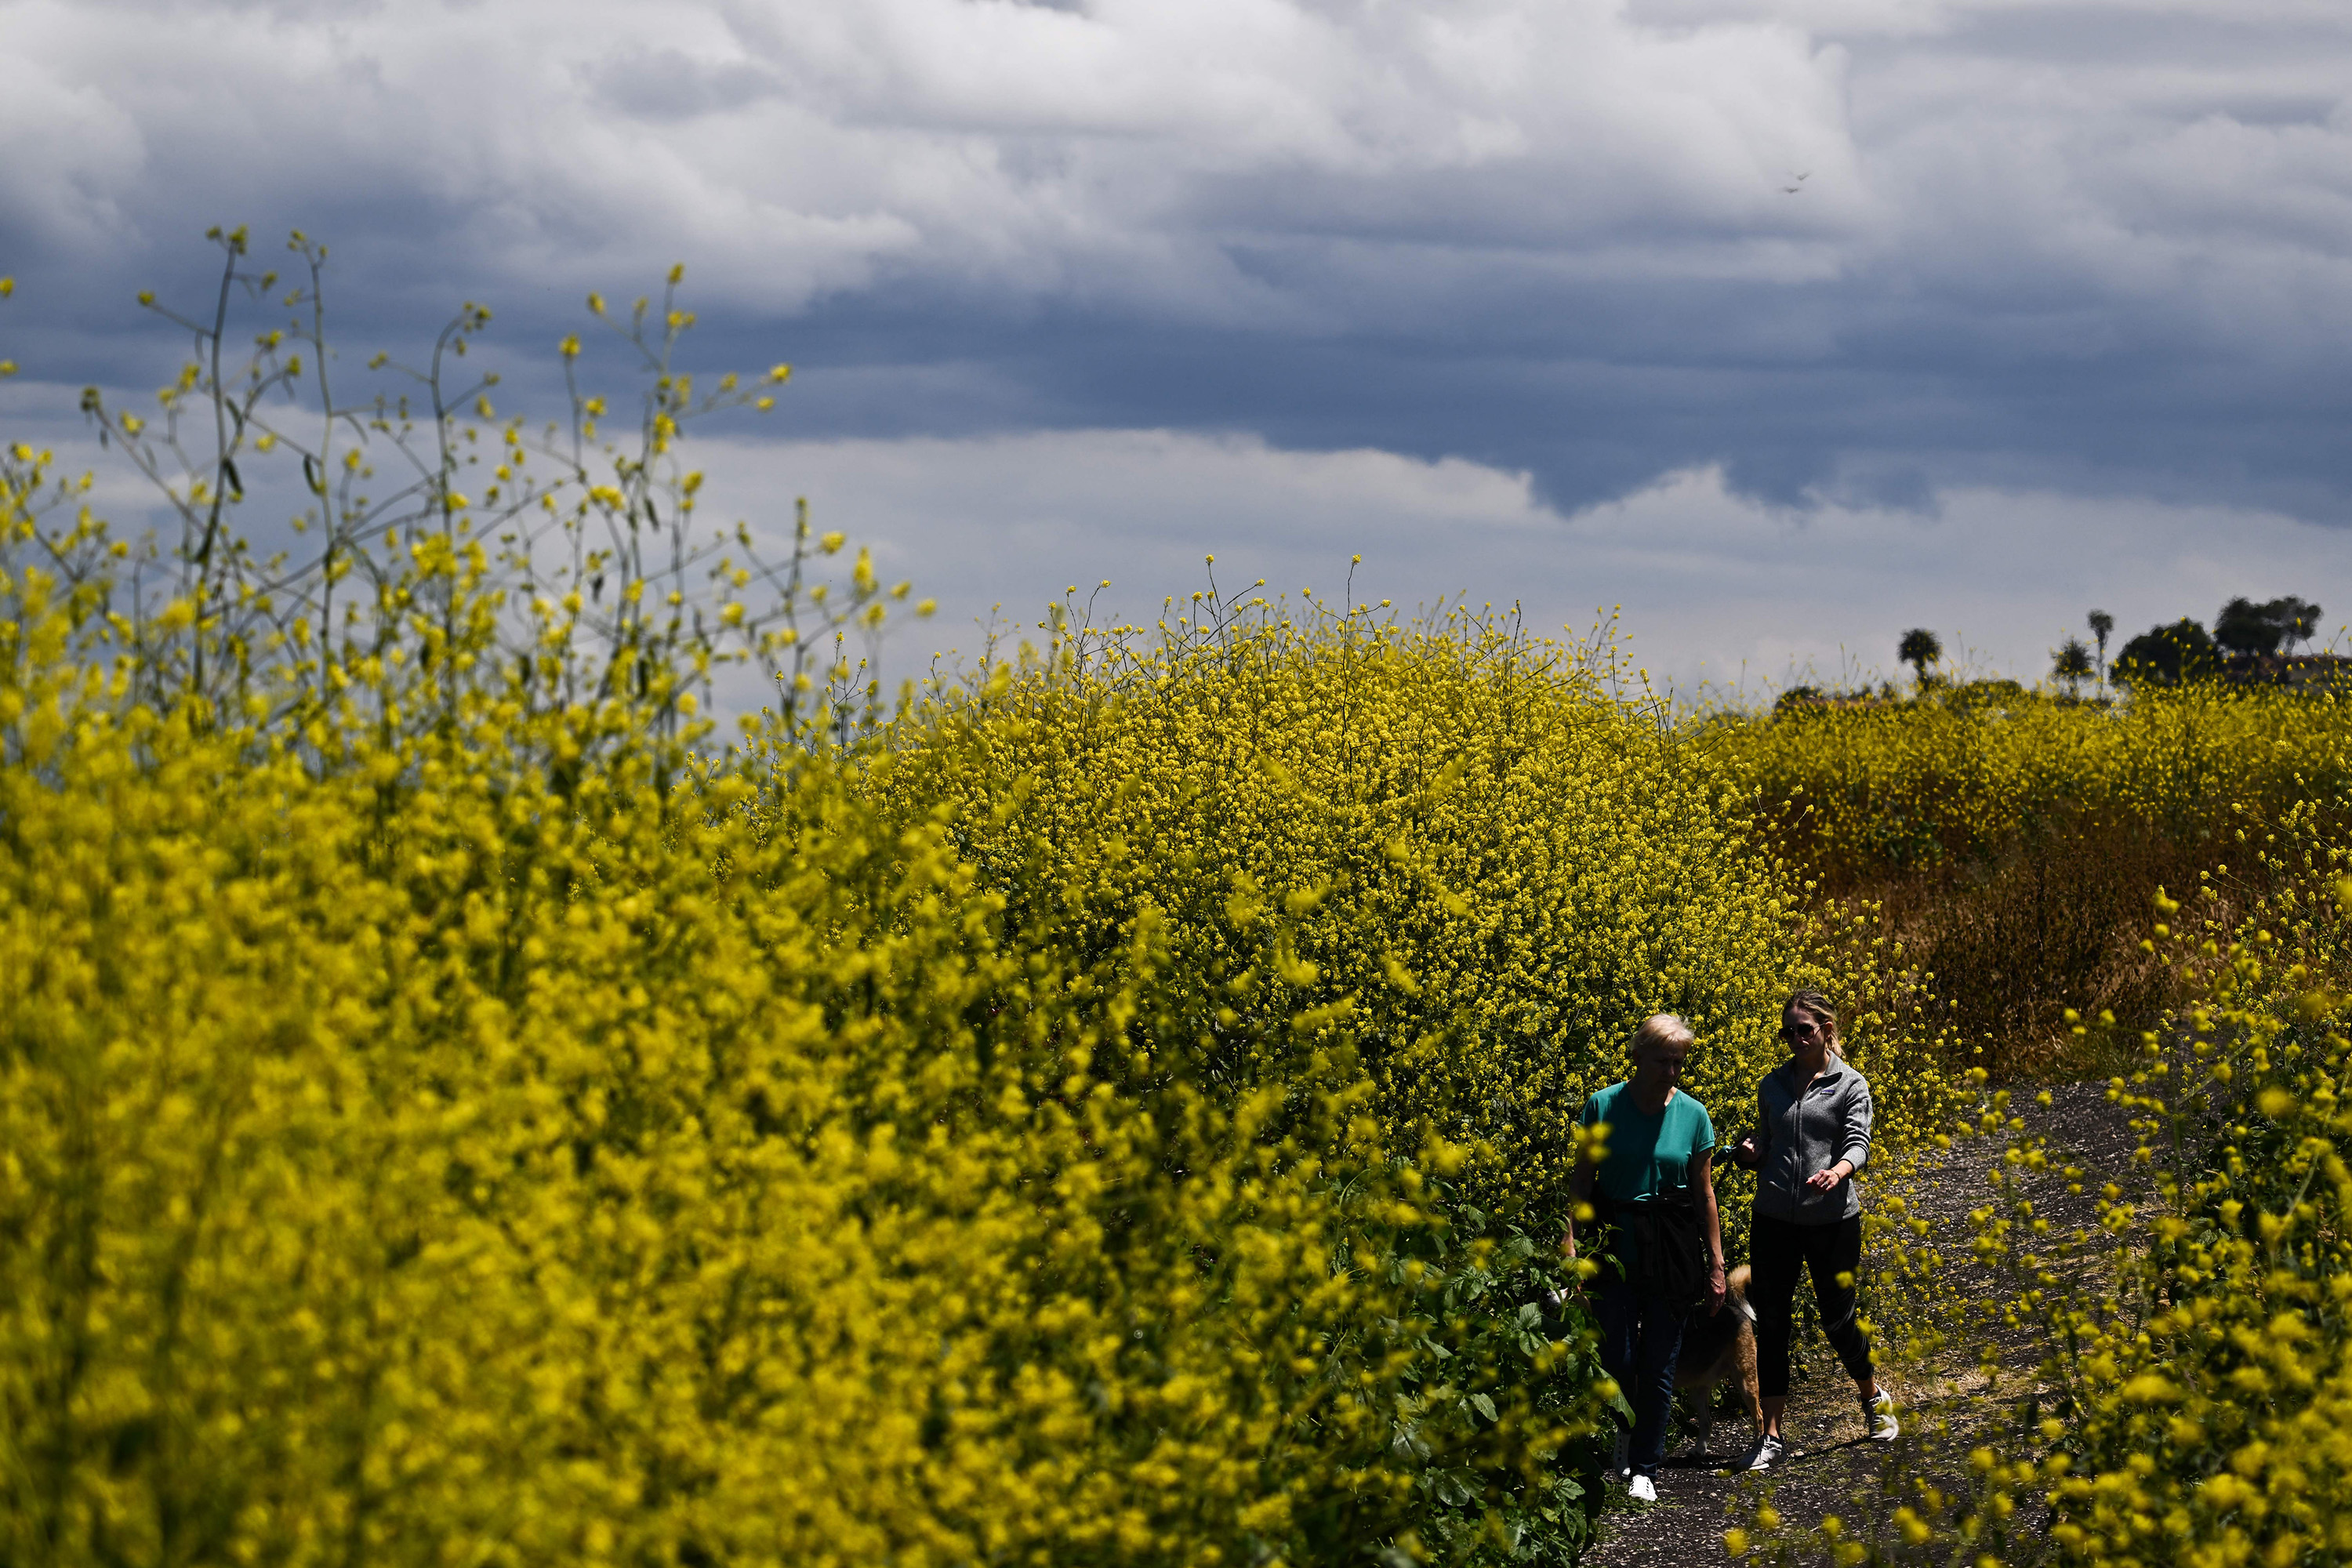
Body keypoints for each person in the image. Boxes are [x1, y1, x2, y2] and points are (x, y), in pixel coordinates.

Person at [1728, 989, 1900, 1469]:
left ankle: (1872, 1396)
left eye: (1805, 1030)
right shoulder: (1773, 1085)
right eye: (1789, 1031)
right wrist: (1751, 1152)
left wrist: (1839, 1171)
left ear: (1827, 1031)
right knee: (1773, 1325)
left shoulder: (1850, 1085)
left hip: (1832, 1220)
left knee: (1837, 1319)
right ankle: (1771, 1435)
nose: (1796, 1039)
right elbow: (1766, 1136)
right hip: (1774, 1218)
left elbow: (1859, 1142)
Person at [1565, 1014, 1728, 1504]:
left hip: (1673, 1243)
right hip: (1613, 1240)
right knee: (1618, 1355)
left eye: (1678, 1062)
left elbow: (1704, 1195)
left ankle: (1645, 1466)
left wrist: (1717, 1264)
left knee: (1661, 1361)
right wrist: (1570, 1246)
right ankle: (1622, 1433)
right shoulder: (1603, 1106)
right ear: (1637, 1055)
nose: (1671, 1071)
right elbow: (1581, 1182)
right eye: (1662, 1060)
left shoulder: (1694, 1115)